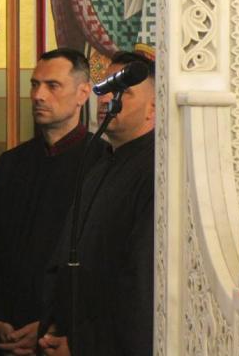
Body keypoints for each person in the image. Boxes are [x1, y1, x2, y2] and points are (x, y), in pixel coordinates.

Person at [39, 51, 155, 356]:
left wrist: (83, 344)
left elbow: (139, 281)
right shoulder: (99, 165)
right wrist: (52, 326)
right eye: (104, 87)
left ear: (154, 107)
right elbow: (64, 255)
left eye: (122, 91)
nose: (105, 99)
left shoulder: (155, 172)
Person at [0, 49, 101, 356]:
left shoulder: (101, 163)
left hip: (62, 337)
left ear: (82, 93)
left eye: (53, 86)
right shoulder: (10, 164)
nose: (38, 95)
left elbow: (102, 265)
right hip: (4, 333)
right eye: (34, 84)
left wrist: (52, 325)